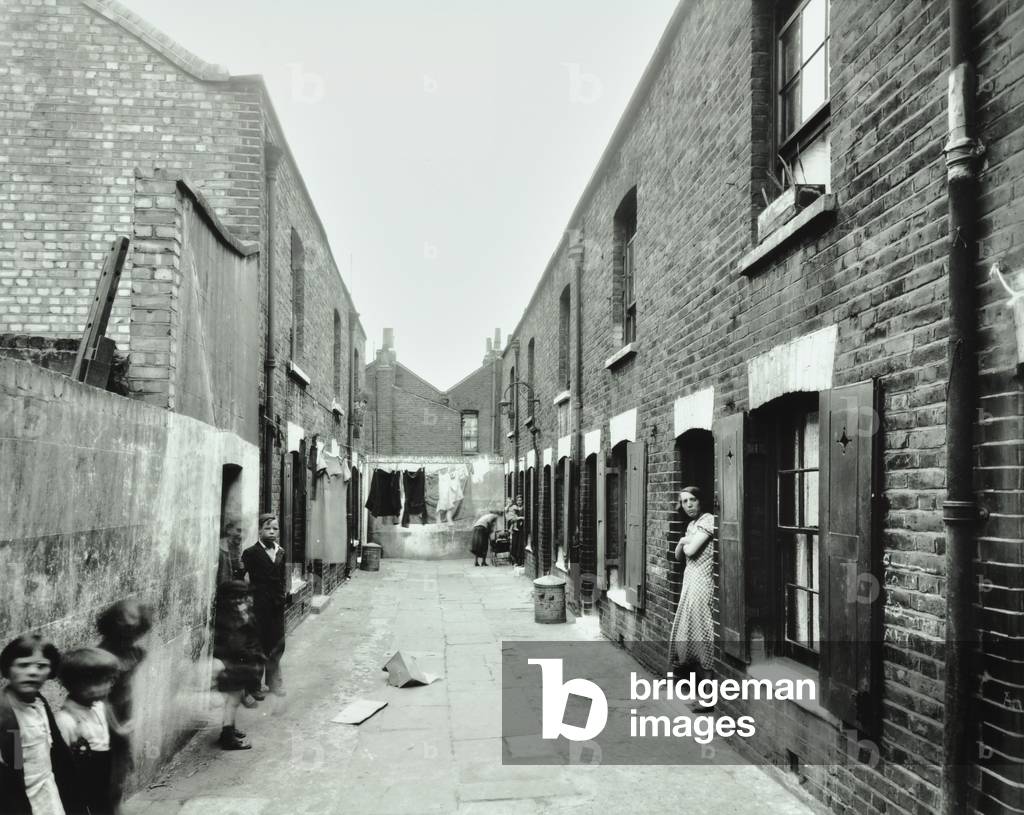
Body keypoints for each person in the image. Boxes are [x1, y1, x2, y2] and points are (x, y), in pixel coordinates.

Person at [0, 634, 82, 815]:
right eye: (23, 665)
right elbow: (14, 764)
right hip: (21, 797)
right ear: (7, 669)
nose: (33, 672)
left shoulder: (39, 702)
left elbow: (57, 750)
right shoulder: (6, 715)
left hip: (46, 789)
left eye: (41, 666)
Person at [96, 599, 152, 809]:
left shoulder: (135, 653)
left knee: (118, 779)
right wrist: (118, 728)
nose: (128, 625)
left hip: (122, 716)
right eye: (122, 620)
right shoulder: (103, 656)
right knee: (110, 782)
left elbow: (126, 691)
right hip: (106, 719)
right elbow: (103, 698)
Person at [56, 648, 121, 815]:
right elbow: (62, 767)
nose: (106, 687)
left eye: (109, 681)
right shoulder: (66, 721)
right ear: (73, 683)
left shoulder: (99, 705)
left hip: (104, 780)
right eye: (97, 682)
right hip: (83, 787)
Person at [668, 487, 715, 709]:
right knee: (689, 635)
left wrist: (684, 542)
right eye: (684, 501)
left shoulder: (708, 521)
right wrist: (682, 541)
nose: (688, 505)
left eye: (693, 500)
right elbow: (678, 555)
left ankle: (708, 698)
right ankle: (695, 688)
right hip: (690, 584)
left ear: (700, 501)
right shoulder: (691, 526)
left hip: (702, 585)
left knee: (703, 636)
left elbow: (690, 551)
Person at [212, 581, 263, 750]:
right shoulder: (229, 618)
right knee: (232, 701)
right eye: (241, 597)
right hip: (232, 664)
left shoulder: (234, 613)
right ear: (232, 598)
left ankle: (229, 729)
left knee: (233, 700)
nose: (245, 600)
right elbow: (236, 644)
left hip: (234, 662)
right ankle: (227, 736)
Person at [241, 513, 288, 697]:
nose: (271, 532)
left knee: (277, 644)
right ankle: (254, 686)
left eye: (275, 528)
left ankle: (274, 682)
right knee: (258, 645)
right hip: (258, 606)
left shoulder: (281, 552)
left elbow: (283, 577)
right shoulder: (250, 553)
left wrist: (284, 594)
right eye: (267, 528)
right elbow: (241, 578)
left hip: (276, 606)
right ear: (259, 530)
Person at [505, 495, 525, 566]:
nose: (519, 502)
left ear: (522, 501)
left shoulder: (523, 508)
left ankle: (521, 561)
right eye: (518, 500)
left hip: (521, 530)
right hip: (515, 529)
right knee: (515, 545)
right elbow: (510, 518)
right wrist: (519, 518)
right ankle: (515, 561)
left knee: (520, 545)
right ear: (516, 501)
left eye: (520, 500)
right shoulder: (514, 509)